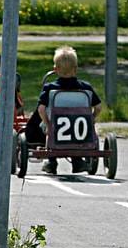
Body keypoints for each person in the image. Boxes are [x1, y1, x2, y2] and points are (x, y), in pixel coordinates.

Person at [24, 46, 102, 175]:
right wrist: (92, 119)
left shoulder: (50, 89)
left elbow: (41, 109)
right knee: (75, 131)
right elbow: (98, 107)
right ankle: (77, 160)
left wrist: (47, 123)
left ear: (55, 69)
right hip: (80, 129)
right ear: (75, 69)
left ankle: (51, 161)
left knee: (50, 126)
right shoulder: (85, 88)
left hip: (55, 127)